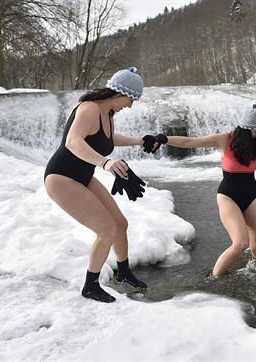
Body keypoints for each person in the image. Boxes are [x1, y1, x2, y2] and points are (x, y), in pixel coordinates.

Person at [44, 67, 162, 303]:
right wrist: (105, 163)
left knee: (120, 224)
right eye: (131, 99)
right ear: (119, 92)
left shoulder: (106, 114)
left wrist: (140, 141)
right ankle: (90, 286)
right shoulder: (89, 108)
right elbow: (72, 141)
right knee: (106, 230)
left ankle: (124, 274)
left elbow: (108, 139)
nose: (130, 105)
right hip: (61, 178)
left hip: (82, 176)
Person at [156, 104, 256, 277]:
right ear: (244, 129)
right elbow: (190, 141)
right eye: (254, 130)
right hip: (228, 196)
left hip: (251, 195)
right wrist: (164, 139)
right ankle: (214, 278)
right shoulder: (224, 139)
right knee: (241, 242)